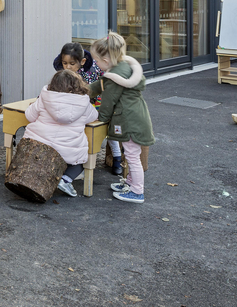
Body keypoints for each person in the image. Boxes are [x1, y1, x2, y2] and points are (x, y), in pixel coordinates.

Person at [90, 32, 155, 204]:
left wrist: (101, 118)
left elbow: (108, 100)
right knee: (131, 153)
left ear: (105, 60)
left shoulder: (115, 76)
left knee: (132, 156)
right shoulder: (122, 67)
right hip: (136, 116)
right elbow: (99, 86)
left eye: (96, 61)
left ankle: (137, 191)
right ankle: (130, 183)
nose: (95, 64)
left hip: (129, 120)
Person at [23, 70, 98, 198]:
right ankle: (65, 180)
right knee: (80, 161)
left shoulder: (44, 98)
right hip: (67, 152)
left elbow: (29, 116)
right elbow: (94, 116)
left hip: (38, 146)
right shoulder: (84, 103)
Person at [53, 41, 122, 175]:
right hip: (76, 107)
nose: (67, 67)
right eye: (64, 63)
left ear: (82, 61)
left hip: (97, 103)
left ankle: (117, 158)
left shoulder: (92, 71)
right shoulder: (64, 73)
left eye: (72, 64)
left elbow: (91, 92)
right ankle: (73, 160)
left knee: (108, 130)